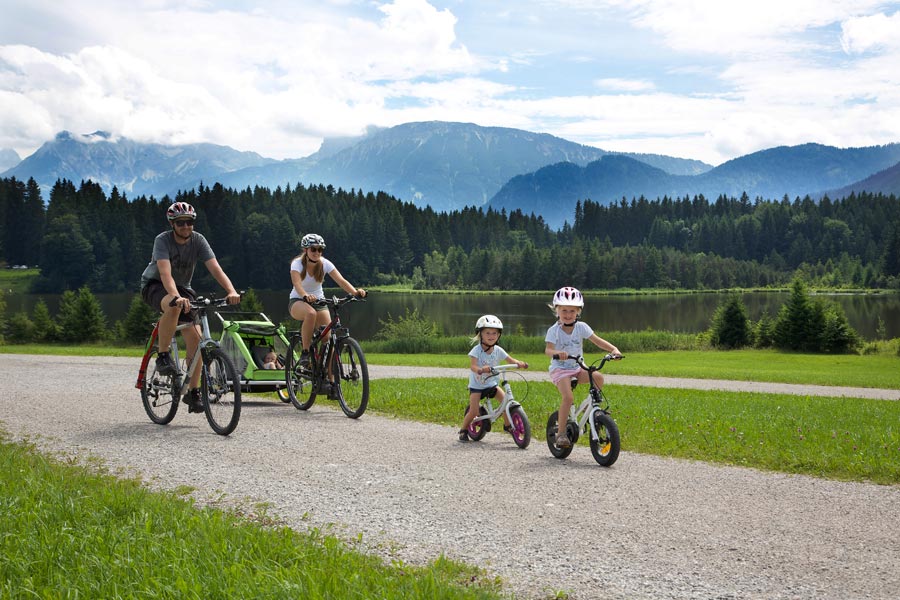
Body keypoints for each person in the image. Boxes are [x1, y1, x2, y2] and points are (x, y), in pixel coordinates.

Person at [140, 201, 241, 413]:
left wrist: (231, 291)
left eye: (190, 222)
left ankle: (194, 392)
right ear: (172, 224)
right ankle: (164, 356)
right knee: (174, 307)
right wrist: (175, 297)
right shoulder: (163, 240)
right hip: (155, 285)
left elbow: (216, 269)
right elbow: (165, 274)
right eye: (181, 223)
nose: (186, 226)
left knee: (196, 338)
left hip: (183, 288)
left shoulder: (198, 240)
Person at [545, 287, 620, 448]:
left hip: (577, 367)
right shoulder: (554, 331)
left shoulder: (582, 327)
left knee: (598, 377)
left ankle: (590, 408)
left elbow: (598, 341)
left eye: (572, 310)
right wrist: (558, 353)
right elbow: (548, 350)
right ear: (556, 310)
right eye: (564, 310)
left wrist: (613, 350)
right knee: (568, 398)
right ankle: (561, 434)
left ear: (578, 311)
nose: (568, 314)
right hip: (560, 370)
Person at [289, 233, 366, 366]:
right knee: (310, 314)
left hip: (319, 302)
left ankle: (329, 382)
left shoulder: (325, 264)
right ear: (305, 250)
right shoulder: (297, 264)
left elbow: (341, 281)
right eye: (313, 249)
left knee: (328, 340)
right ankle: (305, 352)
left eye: (320, 249)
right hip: (298, 301)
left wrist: (355, 292)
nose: (317, 252)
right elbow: (297, 284)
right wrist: (305, 296)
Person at [458, 315, 528, 442]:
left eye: (494, 333)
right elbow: (473, 366)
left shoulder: (498, 350)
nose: (491, 336)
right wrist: (480, 369)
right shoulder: (476, 350)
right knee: (474, 411)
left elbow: (510, 360)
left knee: (505, 401)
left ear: (499, 335)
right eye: (487, 333)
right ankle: (463, 430)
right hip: (477, 386)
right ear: (480, 335)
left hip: (492, 384)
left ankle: (508, 426)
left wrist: (520, 363)